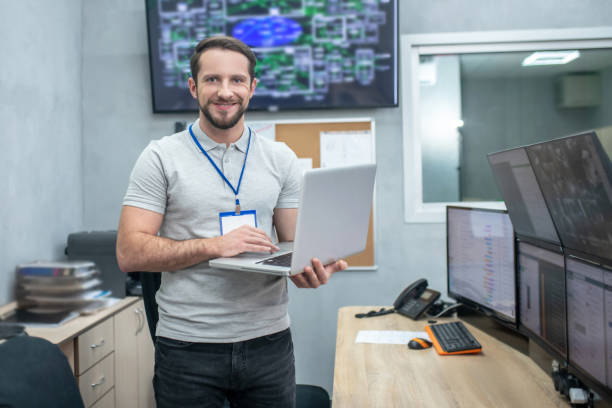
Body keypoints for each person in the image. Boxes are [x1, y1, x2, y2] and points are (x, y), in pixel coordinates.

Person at [116, 35, 347, 408]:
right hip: (187, 348)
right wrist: (214, 246)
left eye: (237, 80)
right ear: (194, 87)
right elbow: (129, 251)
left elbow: (292, 245)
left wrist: (309, 268)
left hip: (269, 344)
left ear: (252, 88)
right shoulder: (159, 157)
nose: (225, 91)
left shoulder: (281, 158)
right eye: (212, 80)